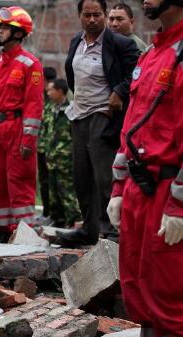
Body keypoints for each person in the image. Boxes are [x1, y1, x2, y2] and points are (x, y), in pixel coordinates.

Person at [106, 0, 183, 335]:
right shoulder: (151, 55)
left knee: (170, 299)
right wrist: (119, 189)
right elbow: (131, 128)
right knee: (136, 290)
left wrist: (179, 204)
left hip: (169, 193)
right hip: (139, 191)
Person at [57, 0, 139, 246]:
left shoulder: (120, 44)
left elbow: (137, 72)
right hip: (79, 115)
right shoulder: (76, 42)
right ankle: (89, 228)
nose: (92, 19)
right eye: (87, 15)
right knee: (81, 176)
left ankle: (113, 230)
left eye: (97, 15)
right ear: (80, 16)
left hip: (104, 115)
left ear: (104, 15)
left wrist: (119, 91)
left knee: (104, 177)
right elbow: (72, 76)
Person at [0, 6, 44, 243]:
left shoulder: (30, 64)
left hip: (17, 130)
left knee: (20, 180)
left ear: (18, 33)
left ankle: (25, 232)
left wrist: (29, 138)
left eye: (5, 28)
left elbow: (34, 105)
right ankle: (3, 229)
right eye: (0, 27)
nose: (0, 31)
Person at [42, 79, 81, 228]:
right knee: (53, 191)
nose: (48, 92)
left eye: (51, 89)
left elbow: (74, 135)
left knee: (67, 190)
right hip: (52, 157)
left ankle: (73, 219)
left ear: (60, 91)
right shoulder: (51, 109)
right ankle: (57, 219)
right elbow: (47, 132)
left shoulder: (70, 109)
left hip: (65, 157)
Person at [36, 66, 58, 225]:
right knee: (43, 180)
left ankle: (56, 214)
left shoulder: (57, 98)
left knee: (54, 181)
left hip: (54, 148)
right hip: (41, 146)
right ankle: (46, 212)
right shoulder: (41, 97)